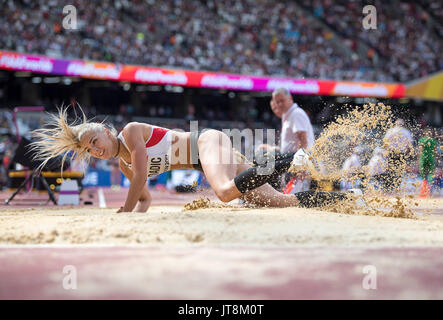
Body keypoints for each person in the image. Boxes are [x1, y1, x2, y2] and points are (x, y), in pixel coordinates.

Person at [30, 106, 359, 213]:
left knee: (226, 192)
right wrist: (137, 207)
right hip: (209, 159)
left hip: (206, 142)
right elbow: (143, 197)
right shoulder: (124, 165)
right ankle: (347, 199)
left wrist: (125, 210)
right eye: (89, 150)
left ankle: (290, 158)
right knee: (281, 202)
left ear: (105, 130)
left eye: (94, 141)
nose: (96, 150)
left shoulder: (130, 132)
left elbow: (142, 176)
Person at [258, 88, 315, 193]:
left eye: (281, 101)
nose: (279, 105)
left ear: (290, 99)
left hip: (297, 160)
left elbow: (303, 140)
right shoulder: (288, 115)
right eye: (277, 102)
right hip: (291, 159)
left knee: (294, 196)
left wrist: (301, 164)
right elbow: (290, 144)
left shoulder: (296, 114)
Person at [382, 119, 414, 192]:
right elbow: (410, 144)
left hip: (391, 152)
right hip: (401, 153)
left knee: (390, 169)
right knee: (400, 170)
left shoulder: (390, 131)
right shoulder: (406, 132)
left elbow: (385, 142)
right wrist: (407, 153)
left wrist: (387, 151)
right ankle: (397, 186)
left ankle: (389, 187)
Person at [418, 128, 437, 197]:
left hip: (423, 157)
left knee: (423, 174)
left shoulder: (422, 140)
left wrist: (419, 159)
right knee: (431, 173)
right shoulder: (434, 140)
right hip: (431, 157)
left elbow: (420, 150)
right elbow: (435, 151)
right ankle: (430, 189)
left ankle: (424, 190)